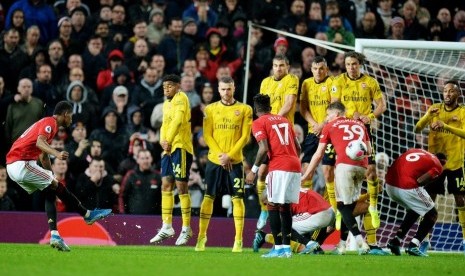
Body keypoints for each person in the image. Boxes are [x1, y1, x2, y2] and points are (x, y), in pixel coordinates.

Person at [5, 101, 112, 252]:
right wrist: (57, 153)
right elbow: (40, 142)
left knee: (51, 189)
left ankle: (55, 235)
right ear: (65, 114)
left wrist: (51, 174)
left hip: (16, 166)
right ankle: (87, 214)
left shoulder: (46, 125)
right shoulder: (51, 122)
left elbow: (42, 156)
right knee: (55, 186)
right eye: (71, 117)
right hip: (21, 163)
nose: (71, 120)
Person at [301, 101, 372, 255]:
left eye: (328, 114)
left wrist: (306, 175)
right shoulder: (360, 125)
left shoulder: (329, 126)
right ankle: (341, 246)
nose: (327, 118)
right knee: (350, 206)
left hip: (344, 166)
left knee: (341, 206)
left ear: (337, 114)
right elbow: (369, 149)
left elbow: (318, 154)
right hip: (362, 166)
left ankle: (361, 243)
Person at [194, 76, 252, 253]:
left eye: (229, 89)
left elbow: (245, 137)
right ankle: (201, 237)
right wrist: (221, 155)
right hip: (215, 160)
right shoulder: (210, 109)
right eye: (223, 89)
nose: (226, 92)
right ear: (218, 90)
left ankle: (238, 240)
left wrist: (230, 155)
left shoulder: (245, 109)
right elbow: (207, 135)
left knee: (238, 199)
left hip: (234, 162)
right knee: (208, 197)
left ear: (234, 88)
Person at [330, 51, 386, 229]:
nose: (351, 67)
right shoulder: (338, 81)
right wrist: (349, 114)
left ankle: (373, 206)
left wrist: (369, 116)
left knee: (371, 170)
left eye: (354, 64)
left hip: (364, 131)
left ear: (359, 64)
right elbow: (334, 106)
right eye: (348, 64)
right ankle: (339, 210)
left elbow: (382, 105)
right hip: (344, 130)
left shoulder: (370, 82)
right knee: (337, 171)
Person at [245, 94, 301, 258]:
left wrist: (253, 171)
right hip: (294, 164)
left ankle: (277, 248)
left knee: (272, 205)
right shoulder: (285, 120)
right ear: (270, 107)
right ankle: (286, 249)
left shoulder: (258, 123)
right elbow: (297, 147)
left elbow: (263, 148)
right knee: (285, 207)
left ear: (256, 109)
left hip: (279, 166)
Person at [415, 80, 465, 254]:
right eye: (445, 91)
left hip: (455, 163)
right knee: (428, 201)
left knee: (461, 200)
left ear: (458, 94)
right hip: (434, 164)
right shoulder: (435, 109)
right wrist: (428, 116)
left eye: (451, 91)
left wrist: (446, 126)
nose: (447, 94)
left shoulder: (463, 112)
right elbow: (417, 128)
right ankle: (424, 241)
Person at [255, 54, 299, 232]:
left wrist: (274, 121)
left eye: (282, 65)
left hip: (284, 133)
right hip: (269, 130)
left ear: (287, 66)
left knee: (275, 172)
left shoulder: (291, 79)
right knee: (262, 173)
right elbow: (262, 104)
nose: (279, 68)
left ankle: (285, 211)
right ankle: (264, 209)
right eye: (276, 65)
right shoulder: (265, 82)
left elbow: (289, 103)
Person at [149, 74, 194, 246]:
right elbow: (164, 124)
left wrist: (168, 139)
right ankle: (167, 225)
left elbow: (177, 121)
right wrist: (163, 141)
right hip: (168, 148)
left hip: (180, 147)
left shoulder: (181, 98)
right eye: (164, 86)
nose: (166, 88)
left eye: (169, 85)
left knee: (181, 186)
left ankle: (186, 228)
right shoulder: (166, 103)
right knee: (166, 184)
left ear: (177, 86)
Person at [386, 149, 446, 257]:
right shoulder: (438, 165)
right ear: (443, 162)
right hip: (407, 187)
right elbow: (421, 181)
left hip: (389, 185)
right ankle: (414, 245)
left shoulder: (417, 151)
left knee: (416, 208)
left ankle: (395, 241)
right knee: (432, 214)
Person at [299, 56, 333, 190]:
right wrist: (314, 124)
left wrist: (323, 124)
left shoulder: (332, 82)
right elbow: (303, 109)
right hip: (313, 131)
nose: (318, 72)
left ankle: (332, 205)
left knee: (328, 170)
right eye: (315, 69)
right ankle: (308, 202)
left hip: (329, 133)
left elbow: (335, 106)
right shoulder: (306, 83)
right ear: (311, 69)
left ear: (327, 69)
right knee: (306, 168)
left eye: (321, 68)